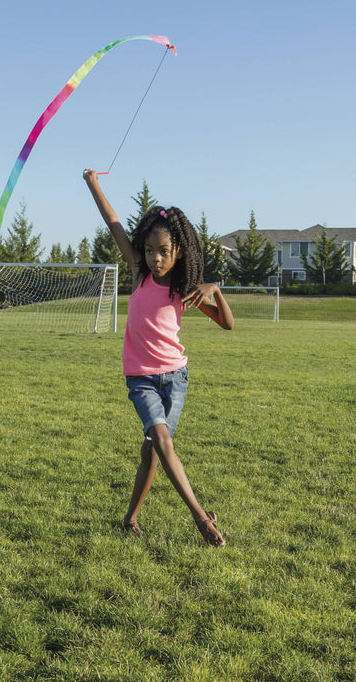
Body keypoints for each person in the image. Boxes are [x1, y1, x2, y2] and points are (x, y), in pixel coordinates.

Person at [83, 169, 234, 547]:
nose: (154, 258)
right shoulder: (139, 274)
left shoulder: (184, 289)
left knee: (152, 448)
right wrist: (93, 183)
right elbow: (113, 222)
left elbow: (227, 324)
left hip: (177, 379)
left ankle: (130, 518)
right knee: (162, 441)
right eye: (149, 250)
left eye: (163, 251)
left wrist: (214, 289)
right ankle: (201, 517)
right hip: (142, 380)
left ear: (178, 250)